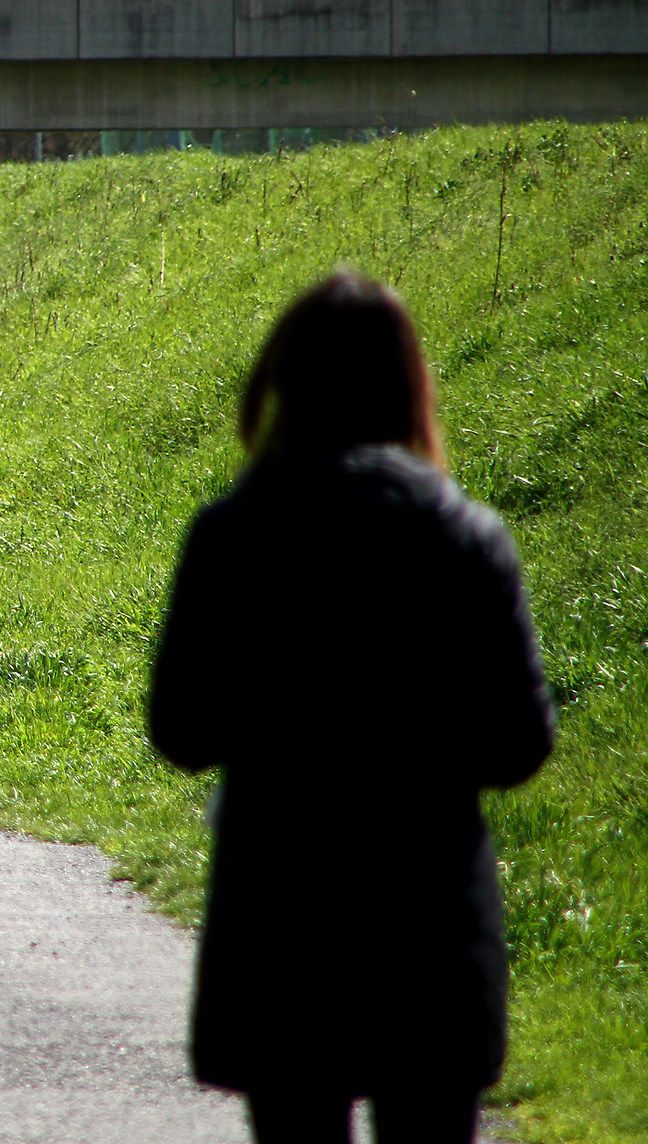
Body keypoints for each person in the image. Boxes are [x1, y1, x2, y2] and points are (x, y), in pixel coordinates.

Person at [149, 269, 555, 1144]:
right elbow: (519, 742)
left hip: (281, 927)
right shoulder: (465, 536)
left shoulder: (230, 537)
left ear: (279, 382)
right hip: (429, 928)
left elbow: (181, 730)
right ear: (411, 387)